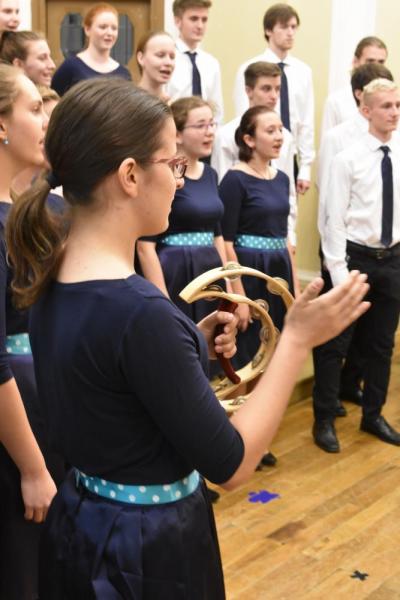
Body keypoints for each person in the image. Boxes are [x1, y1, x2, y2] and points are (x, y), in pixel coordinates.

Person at [6, 78, 368, 599]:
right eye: (171, 164)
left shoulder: (51, 274)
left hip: (80, 521)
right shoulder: (141, 313)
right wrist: (295, 341)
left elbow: (115, 381)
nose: (180, 181)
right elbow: (232, 463)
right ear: (130, 175)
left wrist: (189, 342)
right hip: (143, 549)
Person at [0, 63, 64, 600]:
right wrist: (33, 466)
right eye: (33, 109)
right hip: (14, 424)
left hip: (37, 401)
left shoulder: (17, 212)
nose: (45, 120)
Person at [313, 78, 400, 453]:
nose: (395, 112)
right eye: (386, 106)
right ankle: (323, 420)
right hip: (355, 260)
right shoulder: (347, 159)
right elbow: (334, 220)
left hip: (392, 259)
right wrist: (339, 273)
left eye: (397, 105)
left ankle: (373, 414)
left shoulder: (399, 153)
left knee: (381, 345)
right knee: (336, 344)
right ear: (366, 110)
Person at [220, 106, 297, 370]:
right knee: (248, 355)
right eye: (270, 130)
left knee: (274, 351)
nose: (279, 136)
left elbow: (285, 237)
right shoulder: (234, 180)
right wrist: (239, 298)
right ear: (249, 139)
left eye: (280, 130)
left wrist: (294, 291)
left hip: (279, 271)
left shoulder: (283, 179)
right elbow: (226, 243)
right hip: (251, 272)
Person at [137, 96, 225, 323]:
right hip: (176, 272)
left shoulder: (211, 174)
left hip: (210, 273)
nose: (209, 132)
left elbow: (218, 236)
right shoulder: (165, 174)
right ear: (177, 134)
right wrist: (162, 300)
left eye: (212, 124)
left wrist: (229, 283)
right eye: (200, 125)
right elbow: (145, 247)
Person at [211, 61, 297, 249]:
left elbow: (288, 191)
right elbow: (222, 189)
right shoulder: (226, 135)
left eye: (277, 89)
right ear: (249, 91)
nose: (274, 96)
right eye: (266, 89)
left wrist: (290, 235)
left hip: (277, 234)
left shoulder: (286, 137)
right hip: (243, 235)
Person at [233, 3, 314, 194]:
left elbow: (306, 121)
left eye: (294, 27)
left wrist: (306, 166)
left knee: (287, 208)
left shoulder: (303, 72)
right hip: (256, 153)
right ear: (268, 30)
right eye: (284, 27)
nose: (290, 33)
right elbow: (243, 115)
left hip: (288, 151)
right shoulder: (249, 68)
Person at [51, 2, 131, 96]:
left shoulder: (124, 73)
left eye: (114, 28)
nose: (109, 33)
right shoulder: (71, 67)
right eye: (103, 27)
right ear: (87, 29)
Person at [166, 0, 224, 122]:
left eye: (204, 20)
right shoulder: (167, 58)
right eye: (193, 19)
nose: (200, 26)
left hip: (204, 131)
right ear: (178, 21)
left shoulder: (211, 63)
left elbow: (217, 109)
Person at [321, 36, 388, 135]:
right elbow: (329, 144)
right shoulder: (336, 102)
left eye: (381, 62)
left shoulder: (393, 102)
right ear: (356, 62)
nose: (376, 67)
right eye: (370, 61)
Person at [136, 30, 176, 102]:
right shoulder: (127, 103)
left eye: (172, 57)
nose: (168, 62)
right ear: (141, 58)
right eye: (160, 55)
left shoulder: (173, 105)